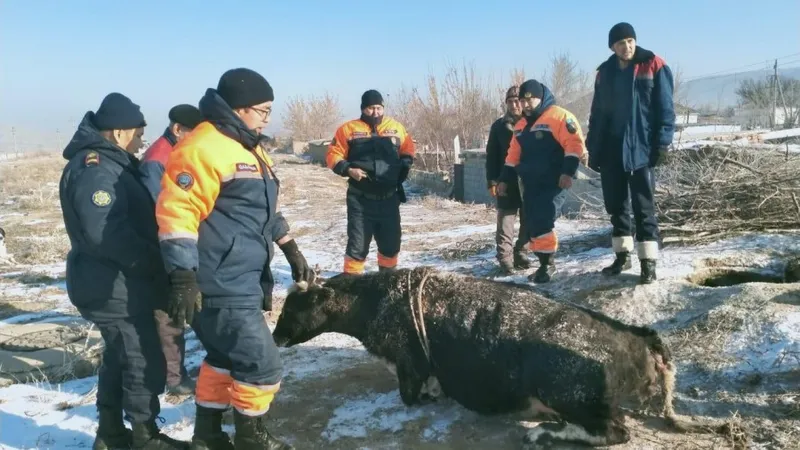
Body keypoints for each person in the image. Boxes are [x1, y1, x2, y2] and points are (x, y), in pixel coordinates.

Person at [156, 68, 312, 449]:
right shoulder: (202, 148)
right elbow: (177, 213)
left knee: (225, 359)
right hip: (218, 280)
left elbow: (260, 208)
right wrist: (182, 276)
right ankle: (251, 439)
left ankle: (207, 435)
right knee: (262, 365)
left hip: (242, 276)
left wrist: (290, 247)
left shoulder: (245, 146)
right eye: (264, 110)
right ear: (240, 108)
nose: (267, 118)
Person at [58, 93, 189, 449]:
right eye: (138, 132)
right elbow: (105, 233)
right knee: (139, 358)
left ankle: (111, 434)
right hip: (113, 283)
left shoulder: (113, 163)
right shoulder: (96, 167)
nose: (143, 139)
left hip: (116, 281)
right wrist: (152, 263)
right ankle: (146, 437)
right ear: (117, 132)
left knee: (119, 358)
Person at [585, 22, 676, 284]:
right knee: (615, 205)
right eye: (621, 43)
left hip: (640, 149)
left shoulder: (653, 64)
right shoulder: (605, 72)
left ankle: (648, 262)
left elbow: (666, 109)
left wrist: (662, 144)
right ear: (612, 47)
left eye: (630, 41)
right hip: (611, 149)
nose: (627, 46)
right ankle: (622, 256)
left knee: (643, 206)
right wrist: (594, 147)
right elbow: (597, 113)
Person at [137, 103, 204, 397]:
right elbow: (162, 211)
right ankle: (175, 379)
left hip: (181, 246)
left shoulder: (176, 153)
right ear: (178, 129)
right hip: (165, 251)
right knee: (170, 315)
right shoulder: (158, 160)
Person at [497, 79, 587, 283]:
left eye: (531, 100)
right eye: (522, 100)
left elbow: (574, 145)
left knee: (543, 220)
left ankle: (548, 264)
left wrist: (568, 172)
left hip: (554, 181)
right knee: (533, 222)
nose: (526, 105)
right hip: (531, 183)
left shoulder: (559, 116)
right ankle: (543, 261)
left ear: (542, 97)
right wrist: (504, 179)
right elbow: (513, 156)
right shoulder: (520, 126)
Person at [326, 89, 416, 274]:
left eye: (378, 108)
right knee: (357, 248)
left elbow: (408, 150)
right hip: (360, 200)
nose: (375, 112)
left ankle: (387, 281)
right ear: (363, 109)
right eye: (370, 108)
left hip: (389, 199)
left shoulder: (396, 128)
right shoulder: (348, 129)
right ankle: (351, 286)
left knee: (391, 246)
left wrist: (404, 166)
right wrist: (348, 170)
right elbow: (333, 155)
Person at [485, 85, 531, 274]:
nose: (514, 105)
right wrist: (492, 181)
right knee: (506, 221)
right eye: (510, 101)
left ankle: (522, 252)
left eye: (517, 101)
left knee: (529, 219)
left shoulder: (533, 122)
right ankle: (505, 258)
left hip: (529, 179)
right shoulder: (499, 126)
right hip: (506, 180)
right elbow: (491, 156)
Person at [140, 104, 204, 200]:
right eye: (194, 134)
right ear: (177, 129)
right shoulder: (156, 161)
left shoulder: (177, 151)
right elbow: (157, 203)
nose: (198, 140)